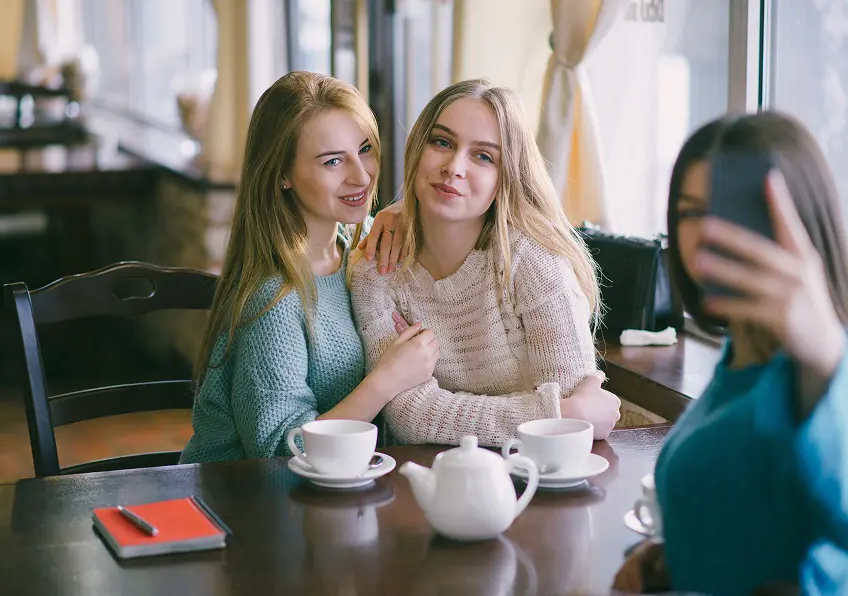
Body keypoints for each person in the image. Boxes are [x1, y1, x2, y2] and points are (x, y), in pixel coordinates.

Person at [613, 112, 848, 595]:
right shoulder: (740, 356)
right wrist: (673, 555)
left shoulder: (822, 373)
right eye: (690, 211)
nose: (711, 233)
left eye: (738, 212)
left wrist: (827, 356)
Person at [180, 71, 437, 463]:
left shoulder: (362, 242)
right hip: (244, 501)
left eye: (365, 149)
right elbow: (283, 451)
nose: (362, 175)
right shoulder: (274, 297)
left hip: (343, 487)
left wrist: (413, 213)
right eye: (333, 160)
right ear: (282, 175)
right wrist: (386, 380)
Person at [349, 78, 621, 447]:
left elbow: (576, 425)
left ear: (505, 175)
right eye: (442, 142)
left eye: (483, 156)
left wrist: (565, 416)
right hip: (430, 481)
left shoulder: (535, 261)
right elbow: (407, 416)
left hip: (537, 479)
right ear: (416, 149)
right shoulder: (376, 269)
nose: (454, 167)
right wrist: (553, 413)